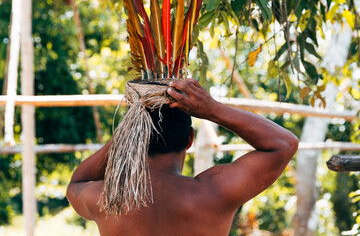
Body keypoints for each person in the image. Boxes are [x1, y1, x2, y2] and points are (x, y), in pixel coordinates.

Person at [67, 79, 299, 236]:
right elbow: (284, 144)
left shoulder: (106, 198)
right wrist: (212, 109)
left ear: (133, 137)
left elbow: (76, 184)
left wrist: (128, 132)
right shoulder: (214, 193)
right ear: (190, 139)